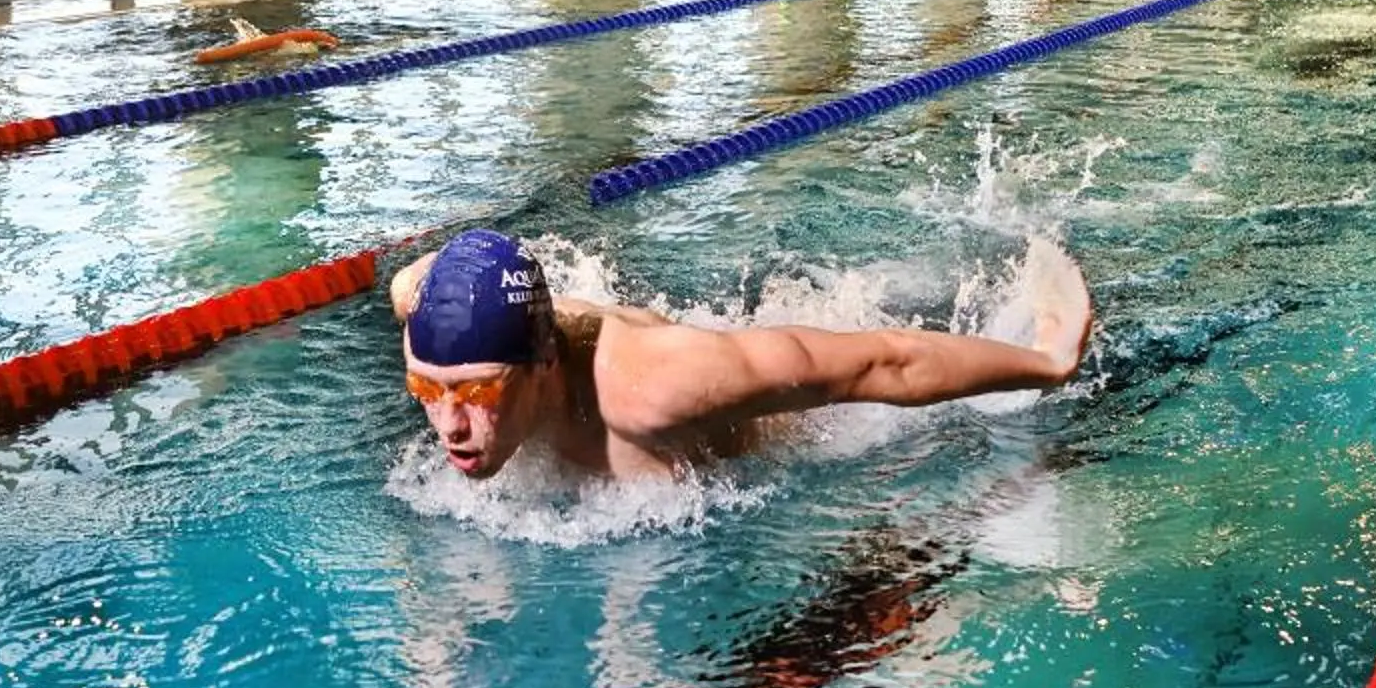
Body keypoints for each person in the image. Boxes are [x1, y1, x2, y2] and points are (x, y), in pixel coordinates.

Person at [389, 230, 1092, 481]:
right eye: (427, 388)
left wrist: (1046, 360)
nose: (448, 424)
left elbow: (881, 363)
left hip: (781, 425)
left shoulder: (657, 389)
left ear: (543, 367)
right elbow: (409, 286)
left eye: (477, 394)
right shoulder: (424, 322)